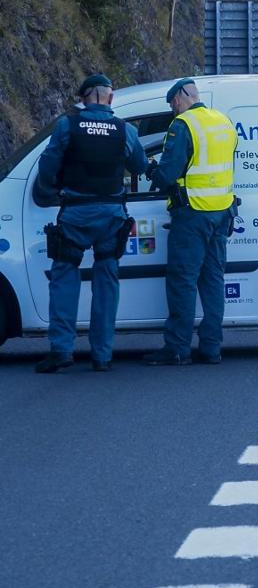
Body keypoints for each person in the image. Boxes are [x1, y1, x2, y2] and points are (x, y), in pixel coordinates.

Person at [34, 75, 146, 373]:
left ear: (84, 98)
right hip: (111, 216)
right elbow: (140, 166)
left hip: (76, 214)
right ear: (110, 98)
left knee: (63, 279)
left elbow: (48, 165)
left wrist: (51, 189)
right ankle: (102, 355)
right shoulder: (125, 130)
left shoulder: (68, 125)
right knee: (107, 282)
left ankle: (61, 351)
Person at [143, 79, 238, 366]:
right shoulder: (223, 121)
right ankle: (211, 347)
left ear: (185, 96)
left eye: (173, 101)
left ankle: (177, 348)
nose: (173, 107)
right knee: (213, 280)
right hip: (222, 211)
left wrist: (151, 171)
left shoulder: (183, 125)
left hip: (193, 213)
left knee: (183, 280)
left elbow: (168, 174)